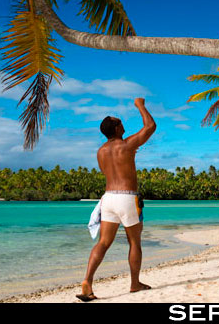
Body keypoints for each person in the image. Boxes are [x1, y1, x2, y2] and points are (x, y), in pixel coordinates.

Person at [76, 97, 156, 302]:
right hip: (127, 198)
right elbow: (150, 126)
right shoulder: (127, 144)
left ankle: (87, 281)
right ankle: (135, 284)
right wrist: (140, 105)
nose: (124, 124)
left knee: (103, 242)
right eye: (121, 122)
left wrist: (129, 153)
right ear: (118, 128)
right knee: (134, 241)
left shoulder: (101, 151)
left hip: (108, 199)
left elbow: (110, 171)